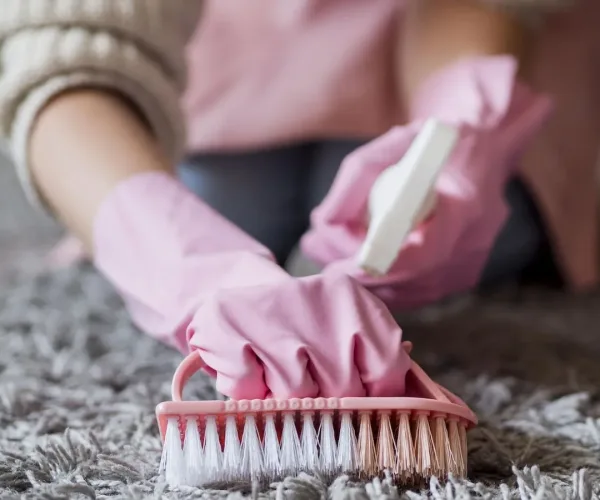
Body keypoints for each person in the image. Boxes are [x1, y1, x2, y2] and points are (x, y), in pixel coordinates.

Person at [0, 0, 596, 400]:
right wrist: (176, 256)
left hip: (483, 43)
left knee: (481, 228)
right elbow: (59, 49)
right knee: (231, 204)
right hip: (232, 67)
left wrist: (462, 131)